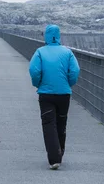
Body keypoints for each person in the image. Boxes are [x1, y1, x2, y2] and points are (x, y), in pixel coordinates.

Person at [29, 24, 80, 170]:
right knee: (61, 122)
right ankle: (60, 152)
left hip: (45, 94)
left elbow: (34, 70)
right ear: (58, 36)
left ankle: (54, 159)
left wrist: (37, 83)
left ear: (45, 36)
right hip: (64, 94)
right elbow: (75, 71)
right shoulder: (67, 52)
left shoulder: (40, 52)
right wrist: (68, 84)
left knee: (48, 124)